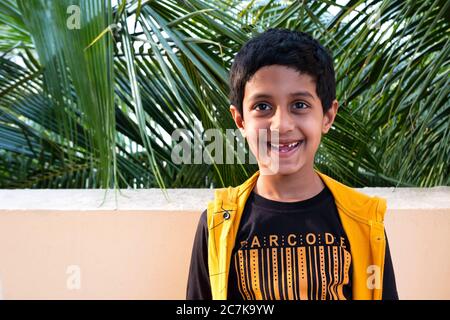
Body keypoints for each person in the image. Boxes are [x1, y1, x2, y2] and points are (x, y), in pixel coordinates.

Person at [186, 28, 398, 300]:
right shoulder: (218, 224)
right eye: (263, 106)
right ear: (240, 120)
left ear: (328, 116)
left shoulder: (364, 221)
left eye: (299, 104)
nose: (282, 125)